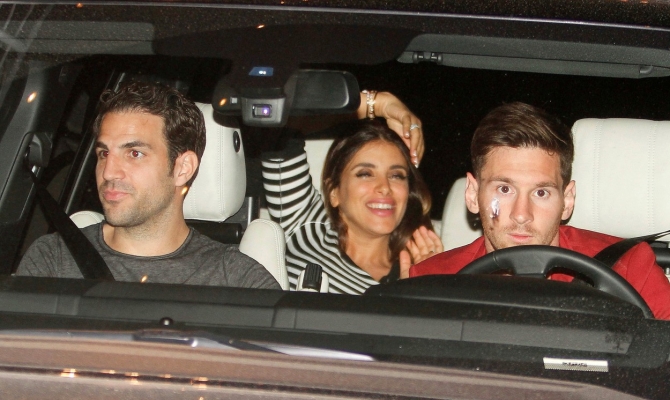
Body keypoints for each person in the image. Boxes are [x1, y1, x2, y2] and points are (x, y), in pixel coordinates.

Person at [410, 101, 670, 319]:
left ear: (567, 200)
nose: (522, 214)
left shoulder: (628, 269)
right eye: (504, 189)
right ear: (472, 195)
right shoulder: (433, 279)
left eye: (541, 193)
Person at [17, 81, 280, 290]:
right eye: (104, 153)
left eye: (134, 153)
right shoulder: (53, 260)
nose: (108, 172)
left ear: (182, 168)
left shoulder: (237, 281)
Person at [262, 92, 442, 294]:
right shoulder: (304, 222)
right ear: (334, 192)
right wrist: (379, 104)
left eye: (396, 176)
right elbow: (277, 119)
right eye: (365, 174)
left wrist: (420, 291)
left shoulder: (416, 271)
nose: (384, 187)